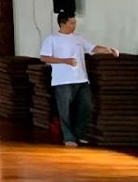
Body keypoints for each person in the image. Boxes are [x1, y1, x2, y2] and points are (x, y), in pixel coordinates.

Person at [39, 11, 119, 147]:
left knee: (87, 106)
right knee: (65, 110)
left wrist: (109, 50)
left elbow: (93, 48)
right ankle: (69, 137)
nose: (74, 25)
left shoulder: (78, 38)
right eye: (72, 23)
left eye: (75, 22)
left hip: (81, 80)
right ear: (62, 23)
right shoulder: (51, 39)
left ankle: (79, 134)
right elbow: (44, 58)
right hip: (62, 81)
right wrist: (65, 61)